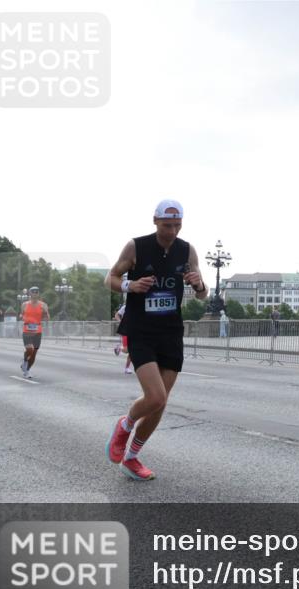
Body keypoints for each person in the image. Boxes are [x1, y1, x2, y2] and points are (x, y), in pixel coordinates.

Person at [103, 199, 208, 480]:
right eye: (166, 225)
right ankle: (124, 426)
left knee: (161, 403)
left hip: (171, 331)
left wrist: (198, 283)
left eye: (177, 225)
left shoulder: (187, 250)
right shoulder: (136, 246)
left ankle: (132, 458)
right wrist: (130, 285)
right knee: (155, 395)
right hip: (141, 329)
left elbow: (202, 294)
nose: (172, 231)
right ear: (155, 221)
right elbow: (110, 278)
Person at [18, 286, 50, 379]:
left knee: (34, 352)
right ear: (29, 293)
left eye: (36, 292)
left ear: (38, 294)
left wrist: (46, 314)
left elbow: (47, 317)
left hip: (37, 331)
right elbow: (21, 314)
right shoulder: (24, 304)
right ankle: (24, 361)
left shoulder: (43, 305)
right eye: (33, 292)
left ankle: (27, 370)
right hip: (27, 330)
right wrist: (21, 316)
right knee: (30, 349)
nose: (35, 293)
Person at [113, 303, 132, 374]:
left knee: (132, 351)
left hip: (136, 331)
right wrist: (121, 322)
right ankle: (119, 348)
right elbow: (117, 315)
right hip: (126, 330)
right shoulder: (125, 307)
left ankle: (127, 368)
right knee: (127, 350)